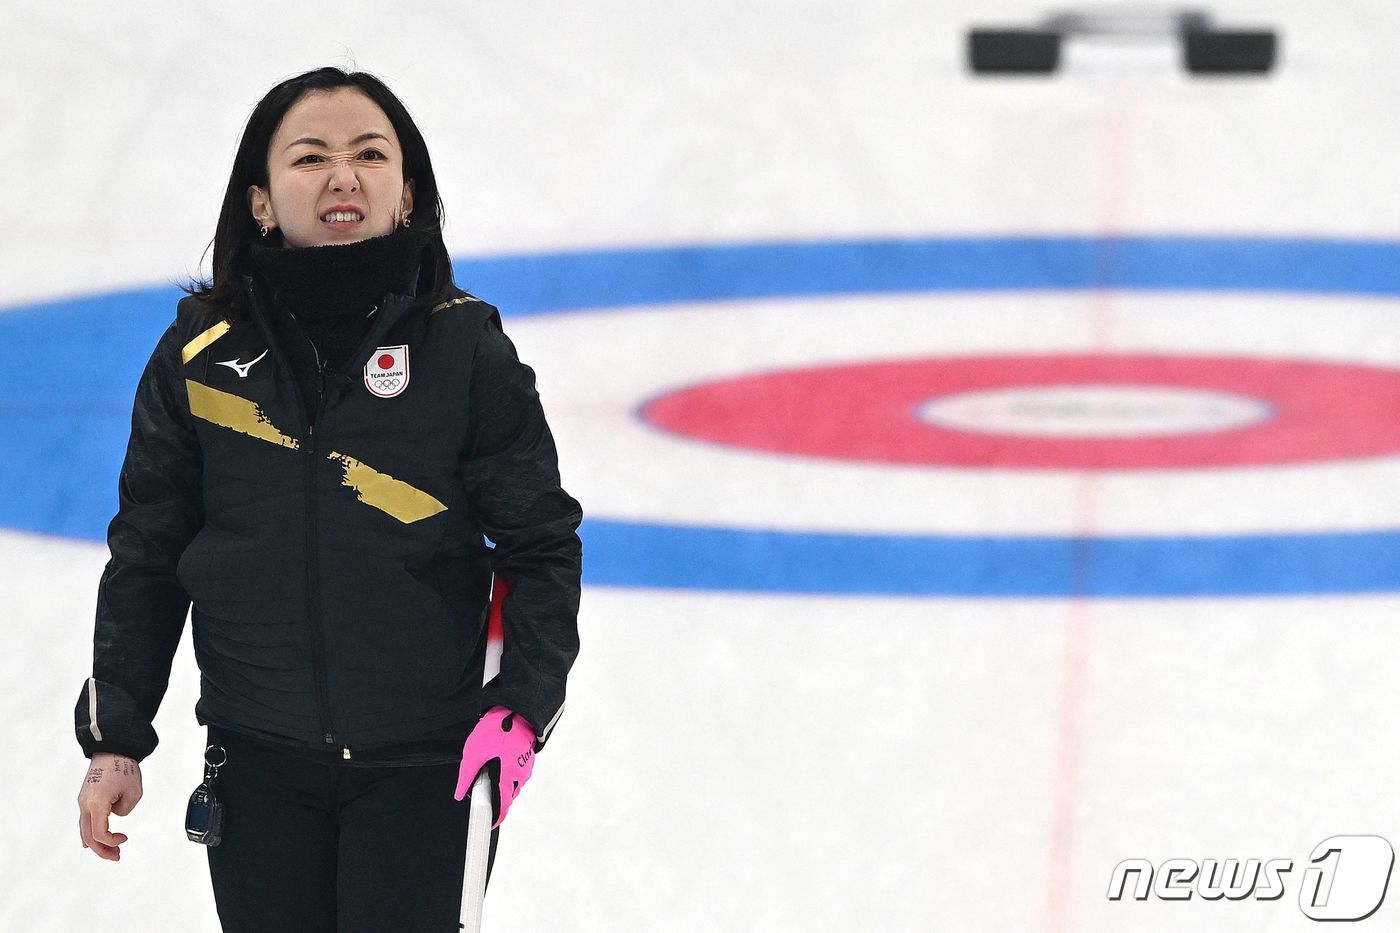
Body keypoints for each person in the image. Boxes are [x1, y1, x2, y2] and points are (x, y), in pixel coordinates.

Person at [73, 66, 583, 932]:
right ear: (262, 201)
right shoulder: (198, 354)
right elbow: (150, 548)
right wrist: (116, 734)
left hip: (430, 768)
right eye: (310, 156)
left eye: (370, 154)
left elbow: (540, 546)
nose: (343, 175)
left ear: (407, 193)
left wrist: (521, 709)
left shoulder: (465, 349)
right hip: (256, 762)